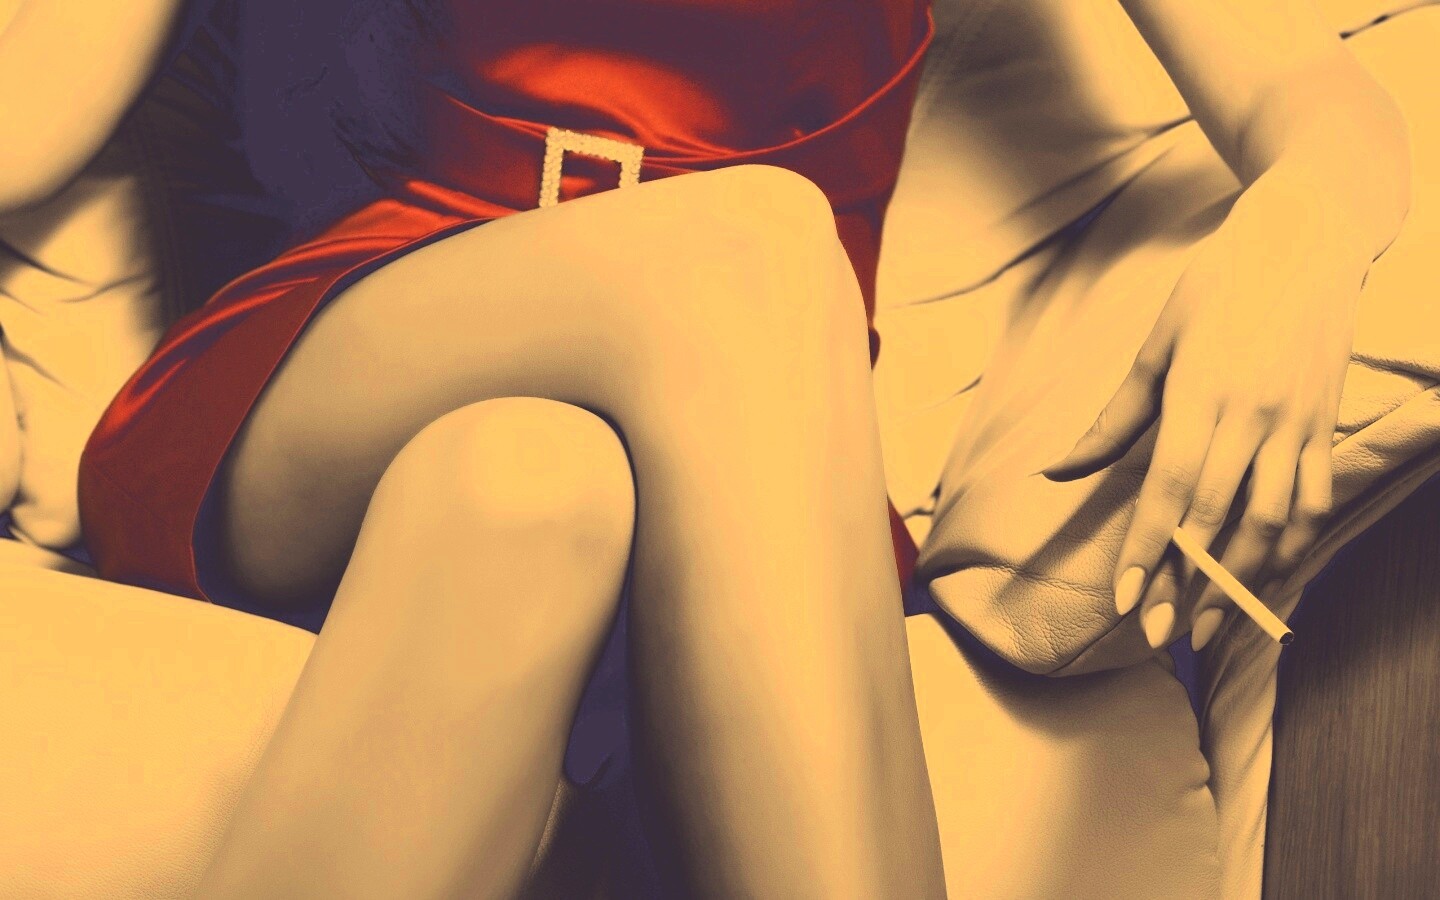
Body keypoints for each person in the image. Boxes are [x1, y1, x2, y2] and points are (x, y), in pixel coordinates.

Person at [0, 0, 1411, 898]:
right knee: (757, 246)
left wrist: (1308, 223)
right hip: (359, 363)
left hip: (744, 464)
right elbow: (25, 104)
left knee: (529, 487)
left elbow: (1311, 98)